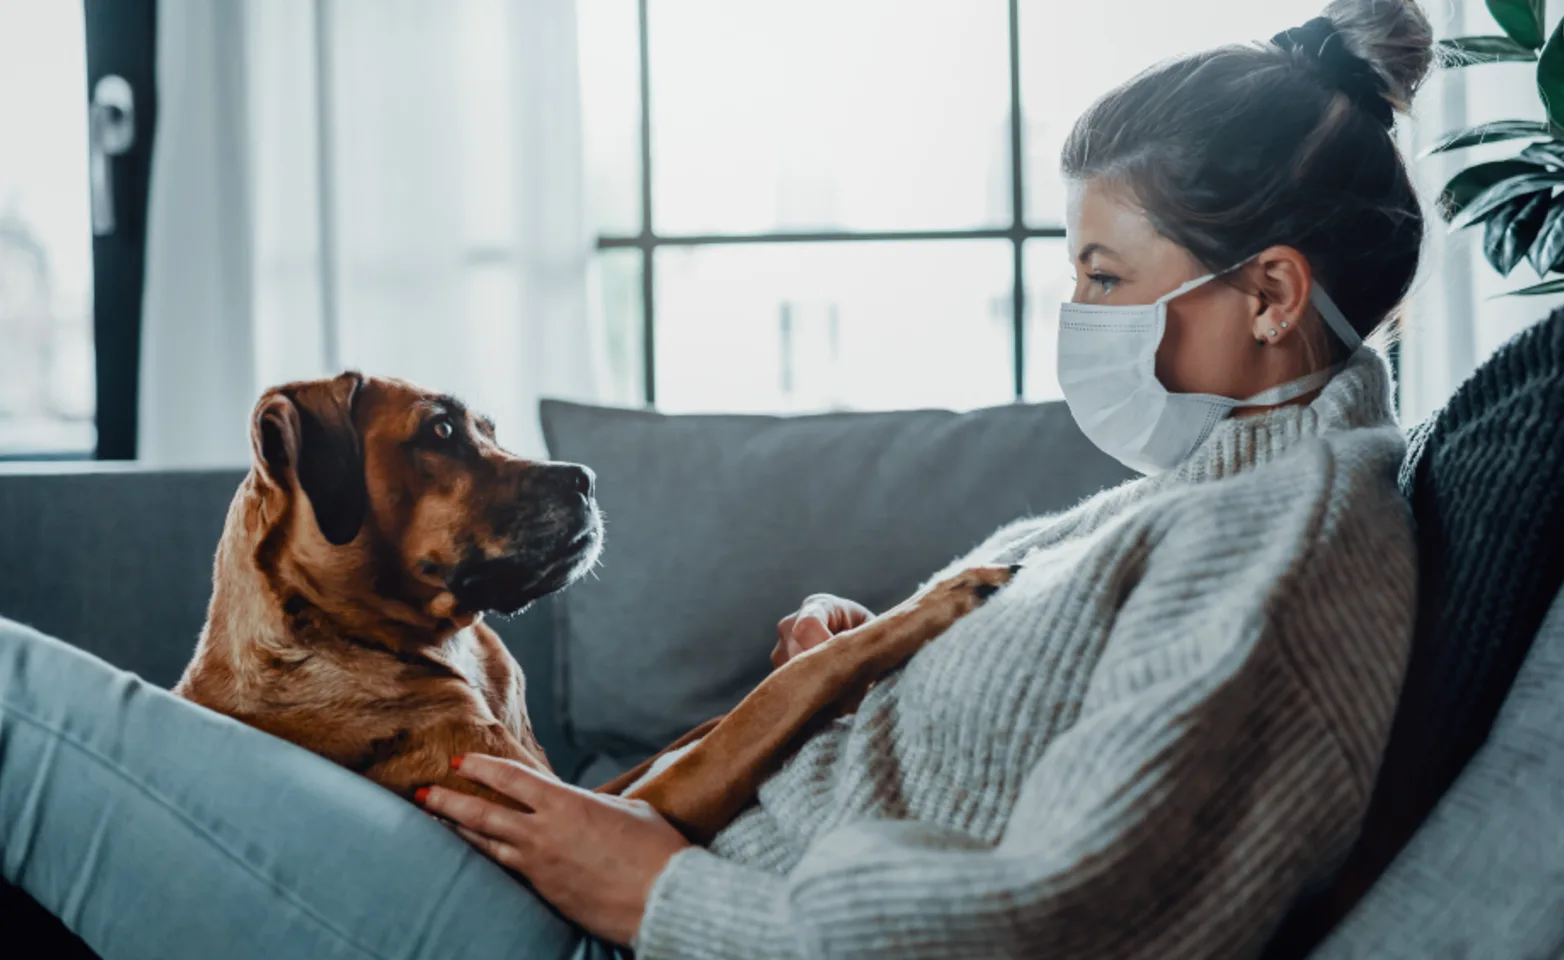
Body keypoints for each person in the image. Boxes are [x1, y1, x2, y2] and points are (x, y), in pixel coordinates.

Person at [0, 1, 1432, 956]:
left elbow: (1059, 913)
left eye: (1106, 276)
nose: (1075, 312)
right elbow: (1032, 713)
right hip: (612, 877)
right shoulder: (1205, 489)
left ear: (1270, 293)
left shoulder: (1285, 543)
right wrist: (872, 660)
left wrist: (664, 896)